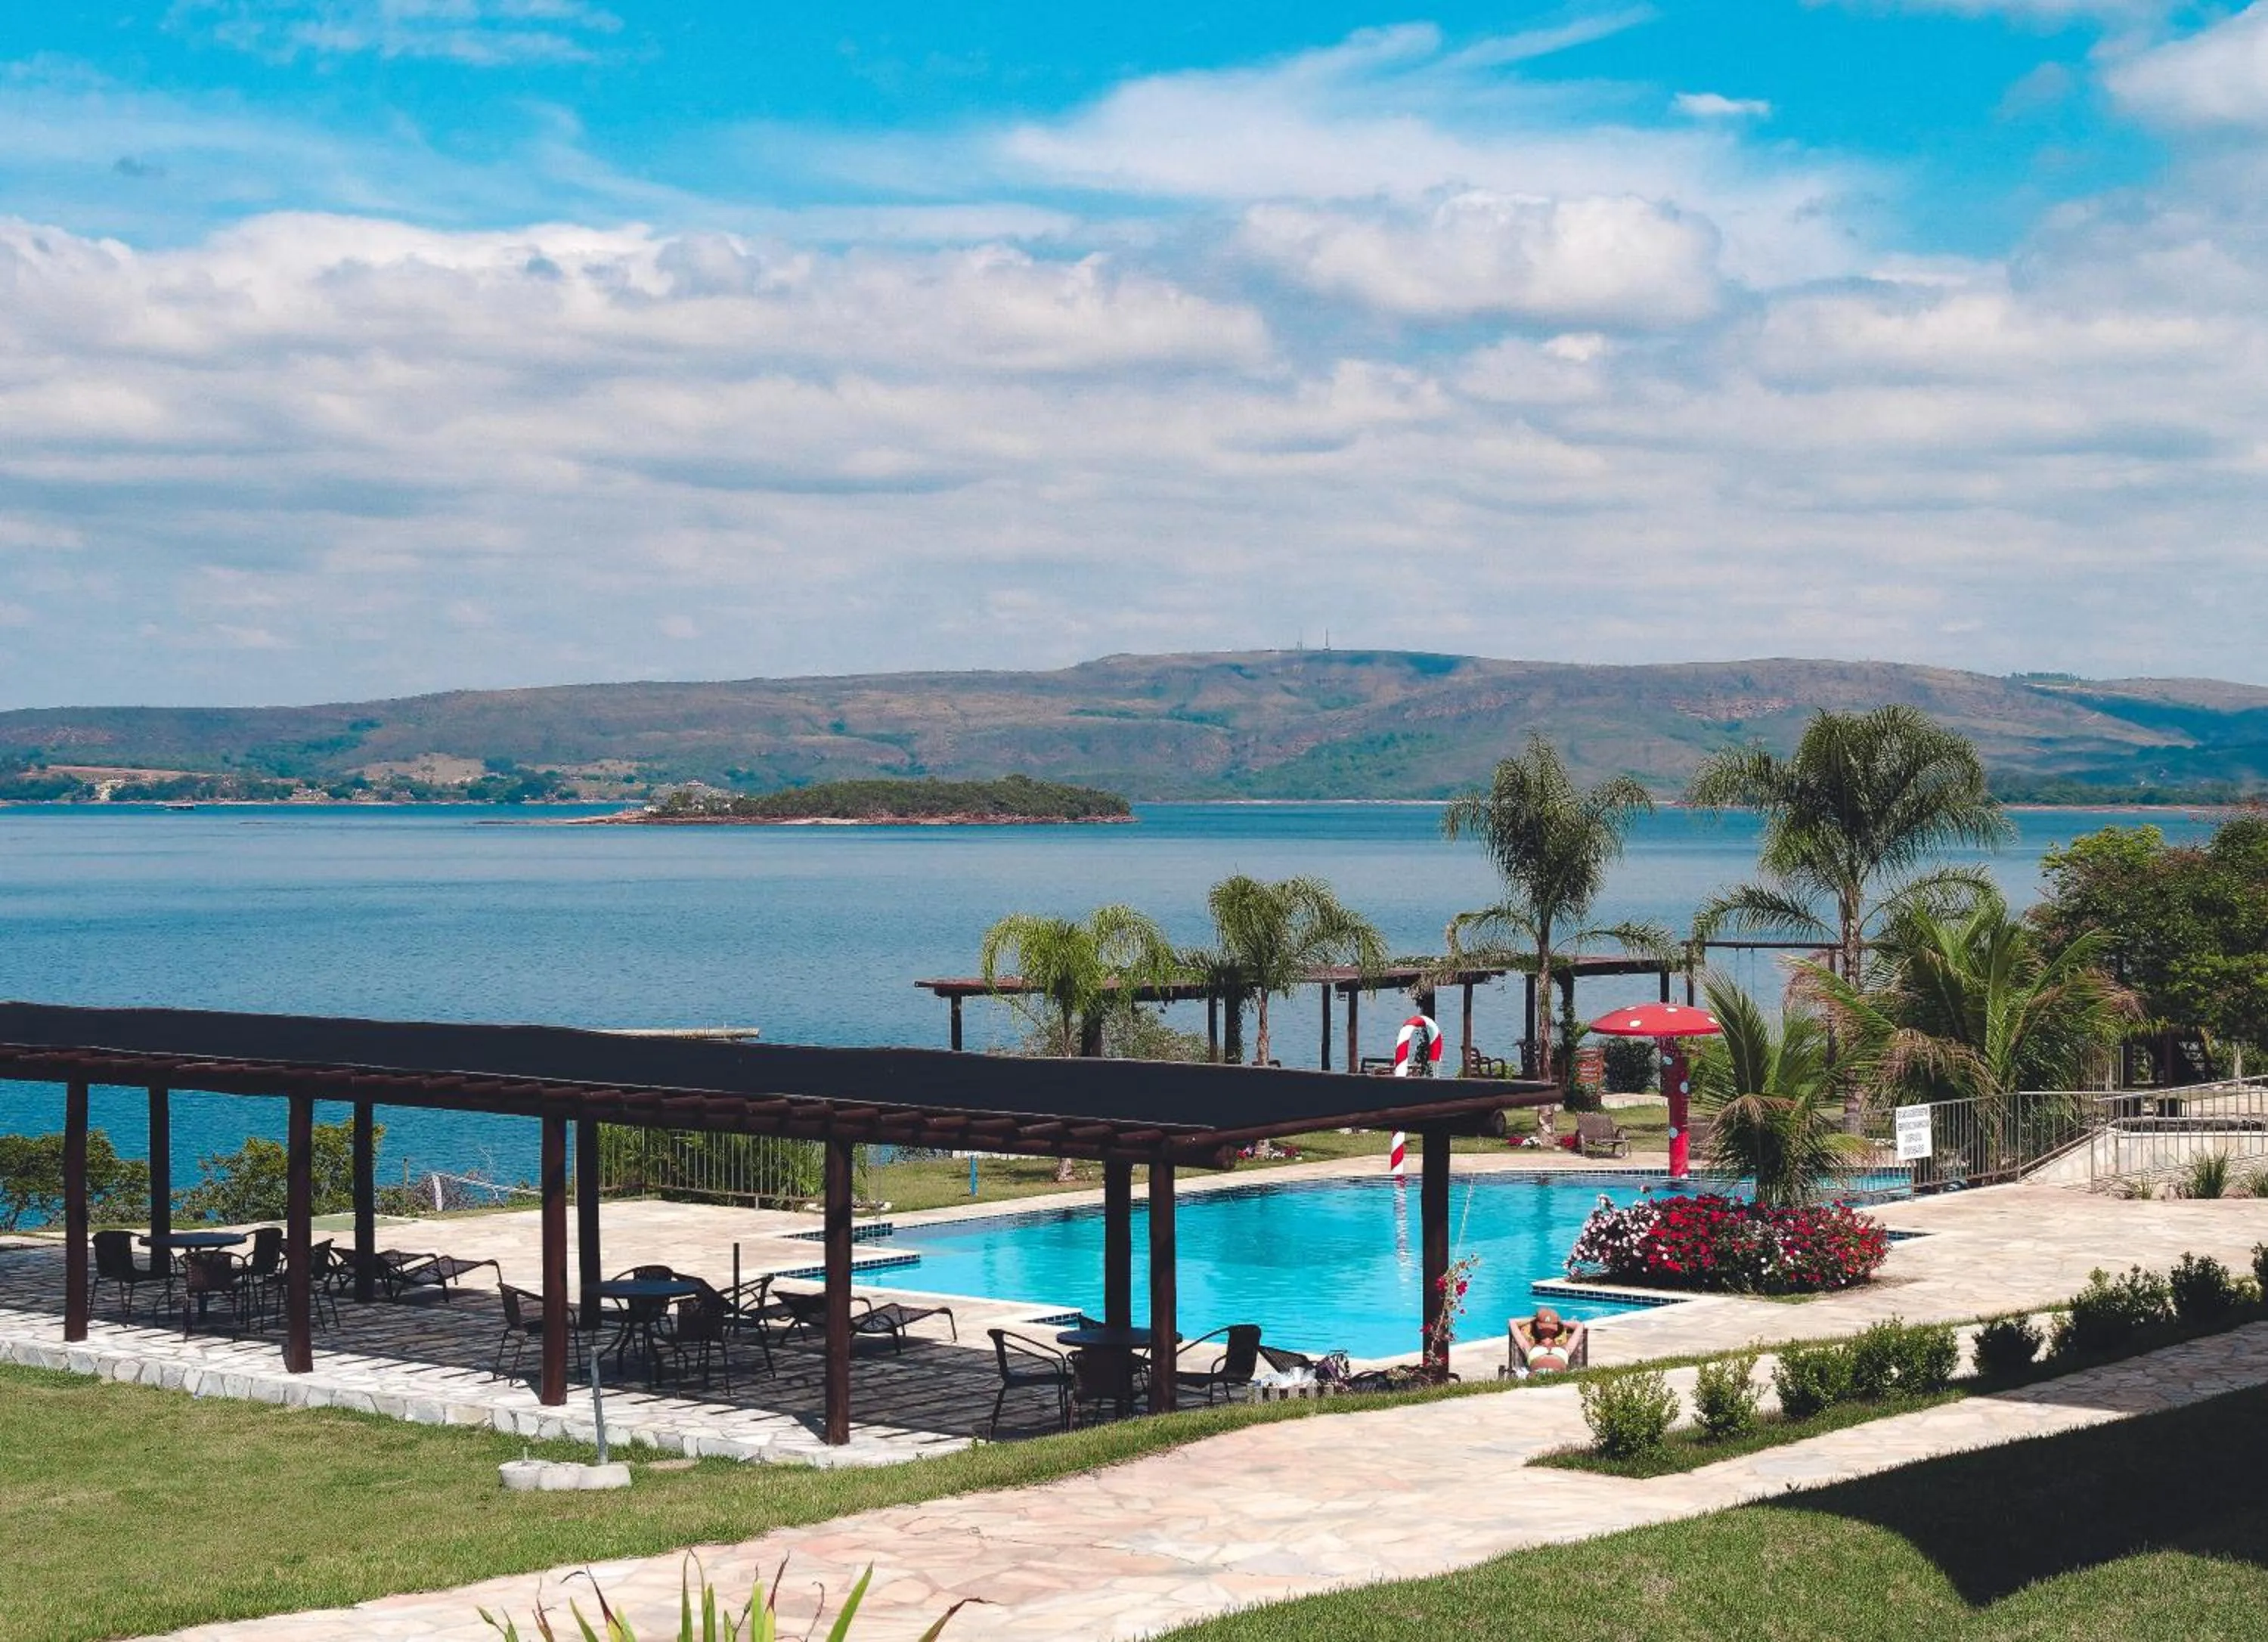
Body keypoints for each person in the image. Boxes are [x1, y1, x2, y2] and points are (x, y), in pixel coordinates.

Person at [1511, 1307, 1585, 1375]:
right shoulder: (1528, 1347)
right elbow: (1512, 1322)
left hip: (1559, 1377)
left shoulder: (1567, 1348)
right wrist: (1535, 1319)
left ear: (1557, 1329)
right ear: (1536, 1328)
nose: (1547, 1332)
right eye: (1543, 1329)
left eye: (1551, 1329)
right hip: (1537, 1376)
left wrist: (1558, 1321)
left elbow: (1580, 1325)